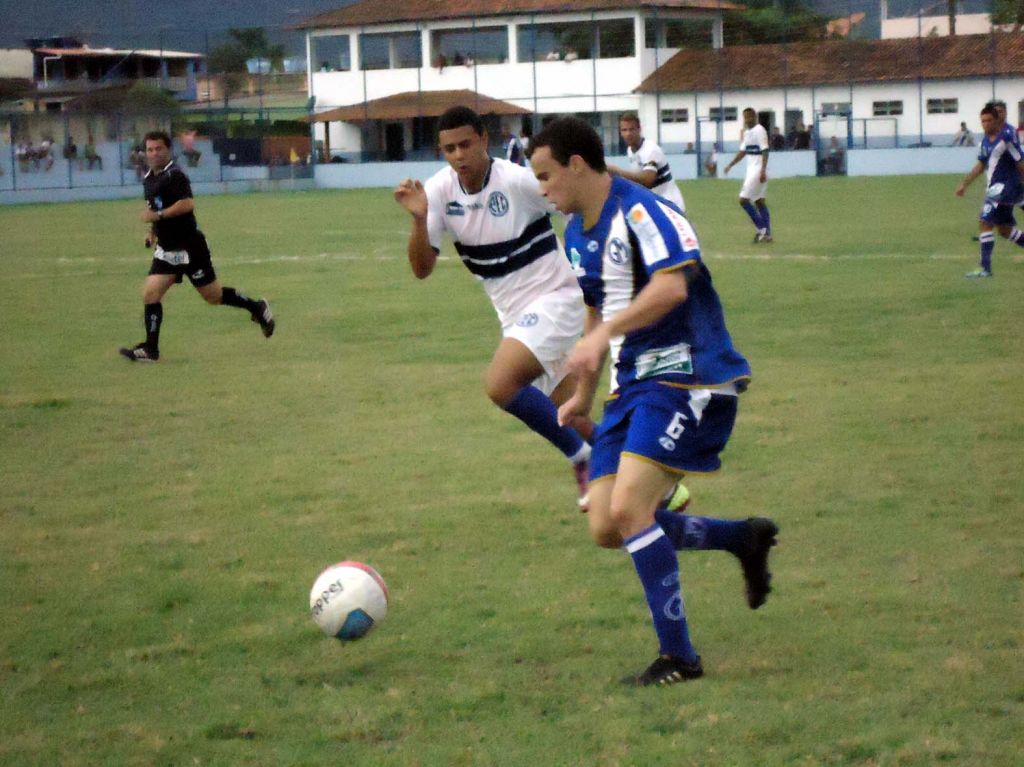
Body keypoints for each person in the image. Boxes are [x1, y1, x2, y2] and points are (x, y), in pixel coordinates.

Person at [525, 116, 778, 687]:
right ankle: (741, 537)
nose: (542, 189)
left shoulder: (644, 211)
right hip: (634, 385)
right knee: (606, 527)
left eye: (545, 176)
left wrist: (599, 335)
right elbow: (596, 307)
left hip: (689, 375)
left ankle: (680, 659)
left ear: (577, 165)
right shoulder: (576, 233)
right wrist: (584, 391)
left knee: (628, 511)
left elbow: (672, 286)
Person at [393, 105, 595, 509]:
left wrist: (591, 260)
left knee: (500, 383)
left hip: (556, 298)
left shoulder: (518, 181)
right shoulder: (436, 194)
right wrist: (419, 221)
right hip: (515, 319)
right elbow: (421, 269)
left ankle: (583, 460)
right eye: (449, 148)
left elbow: (580, 203)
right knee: (573, 418)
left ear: (485, 139)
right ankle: (657, 489)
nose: (458, 156)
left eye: (466, 144)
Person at [119, 131, 275, 362]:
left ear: (168, 150)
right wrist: (152, 232)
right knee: (151, 293)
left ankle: (256, 308)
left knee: (213, 296)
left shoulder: (176, 175)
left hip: (190, 248)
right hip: (167, 250)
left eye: (158, 149)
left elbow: (187, 204)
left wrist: (159, 216)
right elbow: (155, 207)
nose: (153, 153)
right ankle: (151, 349)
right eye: (150, 149)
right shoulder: (149, 178)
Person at [954, 104, 1024, 278]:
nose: (985, 124)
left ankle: (985, 268)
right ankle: (985, 268)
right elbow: (981, 165)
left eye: (988, 120)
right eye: (982, 121)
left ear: (996, 120)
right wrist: (965, 183)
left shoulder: (1006, 137)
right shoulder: (985, 141)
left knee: (985, 222)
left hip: (1004, 187)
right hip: (997, 187)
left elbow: (1020, 162)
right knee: (1004, 230)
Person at [608, 112, 686, 213]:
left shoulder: (650, 149)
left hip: (670, 205)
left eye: (632, 129)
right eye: (624, 130)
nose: (628, 133)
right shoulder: (630, 151)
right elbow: (638, 181)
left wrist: (617, 171)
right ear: (620, 133)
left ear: (639, 129)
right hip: (656, 204)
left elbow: (647, 180)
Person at [724, 108, 772, 242]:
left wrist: (763, 170)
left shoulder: (759, 130)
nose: (746, 120)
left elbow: (765, 150)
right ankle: (767, 234)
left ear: (754, 117)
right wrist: (730, 165)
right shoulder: (747, 133)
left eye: (749, 117)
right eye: (744, 117)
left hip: (758, 170)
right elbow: (742, 152)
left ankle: (762, 229)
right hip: (752, 170)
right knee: (759, 201)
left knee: (743, 200)